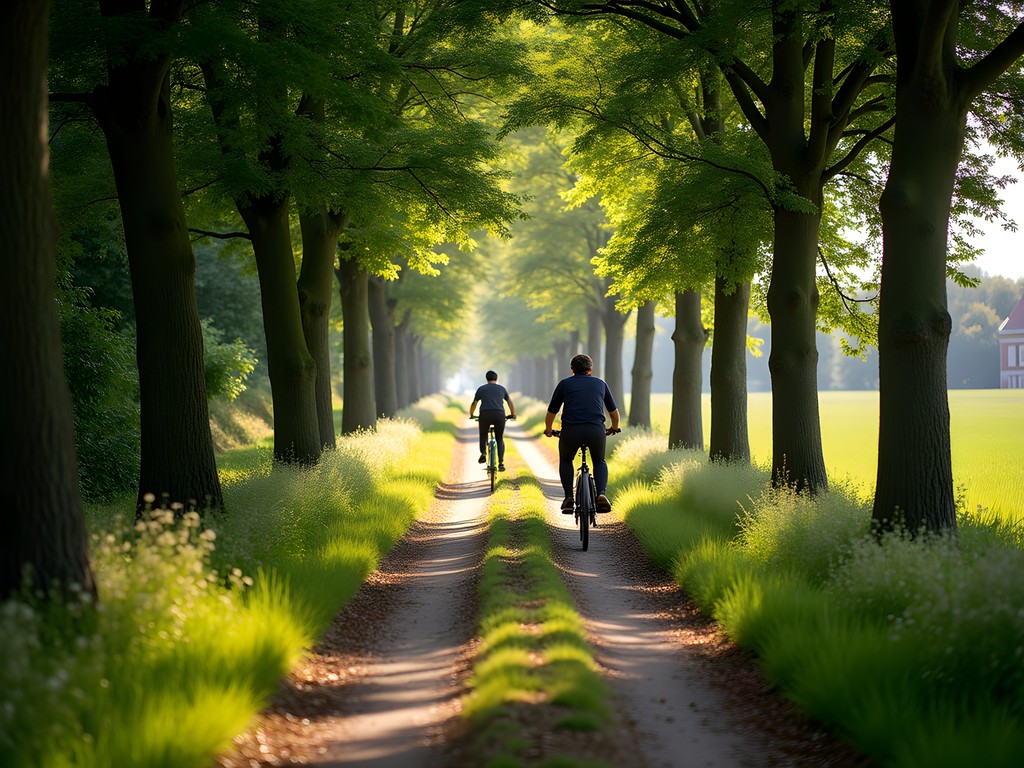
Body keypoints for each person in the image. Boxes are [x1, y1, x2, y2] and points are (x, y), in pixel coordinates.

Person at [544, 354, 620, 513]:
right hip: (595, 430)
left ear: (572, 370)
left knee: (566, 460)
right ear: (590, 369)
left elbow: (552, 411)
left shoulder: (564, 384)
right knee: (599, 460)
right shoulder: (601, 384)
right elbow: (614, 413)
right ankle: (601, 494)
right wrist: (614, 427)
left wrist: (549, 429)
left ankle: (568, 498)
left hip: (571, 431)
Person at [469, 370, 516, 471]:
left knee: (483, 434)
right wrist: (513, 414)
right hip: (499, 415)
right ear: (496, 378)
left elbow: (474, 403)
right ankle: (501, 463)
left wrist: (472, 414)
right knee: (499, 438)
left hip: (485, 415)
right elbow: (509, 402)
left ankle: (483, 454)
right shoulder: (502, 389)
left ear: (487, 378)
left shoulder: (481, 389)